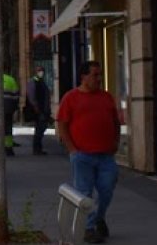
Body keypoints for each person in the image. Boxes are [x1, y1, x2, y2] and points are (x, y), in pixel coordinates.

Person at [55, 61, 121, 244]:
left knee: (107, 189)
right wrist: (72, 150)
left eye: (100, 75)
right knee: (84, 193)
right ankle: (88, 228)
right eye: (95, 75)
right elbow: (62, 124)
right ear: (83, 77)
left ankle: (99, 217)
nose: (99, 79)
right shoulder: (71, 98)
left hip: (106, 154)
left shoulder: (106, 97)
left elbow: (115, 121)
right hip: (82, 155)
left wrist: (116, 141)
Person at [25, 66, 52, 155]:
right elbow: (31, 96)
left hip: (43, 108)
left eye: (42, 70)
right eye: (39, 71)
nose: (41, 72)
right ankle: (37, 148)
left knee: (41, 128)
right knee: (40, 128)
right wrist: (36, 107)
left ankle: (38, 148)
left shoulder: (41, 81)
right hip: (39, 109)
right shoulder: (33, 81)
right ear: (35, 72)